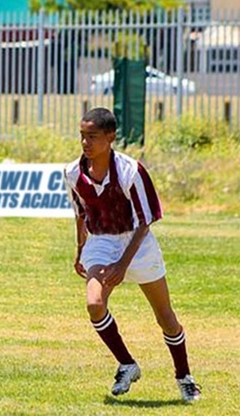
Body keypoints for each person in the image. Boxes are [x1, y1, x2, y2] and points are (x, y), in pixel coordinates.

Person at [63, 108, 201, 402]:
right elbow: (80, 214)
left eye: (92, 137)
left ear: (111, 137)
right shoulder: (73, 172)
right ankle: (127, 364)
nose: (85, 143)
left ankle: (184, 376)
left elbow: (145, 221)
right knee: (94, 303)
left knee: (165, 317)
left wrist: (123, 264)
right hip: (100, 241)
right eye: (82, 137)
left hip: (137, 244)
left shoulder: (130, 171)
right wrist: (80, 252)